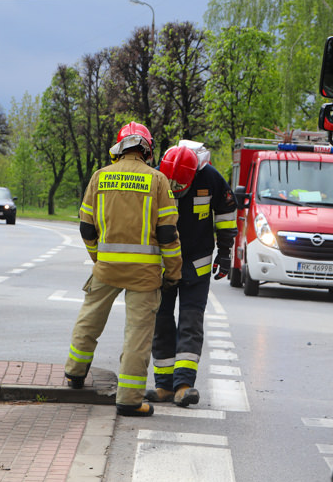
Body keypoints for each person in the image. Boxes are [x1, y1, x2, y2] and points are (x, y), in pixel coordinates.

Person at [64, 122, 183, 417]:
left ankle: (75, 373)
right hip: (144, 274)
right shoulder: (158, 180)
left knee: (89, 318)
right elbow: (168, 234)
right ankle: (129, 400)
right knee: (138, 335)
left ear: (120, 148)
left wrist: (98, 257)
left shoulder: (100, 177)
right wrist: (173, 273)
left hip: (106, 268)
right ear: (147, 149)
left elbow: (86, 226)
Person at [146, 140, 238, 407]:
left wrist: (225, 253)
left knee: (190, 321)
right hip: (162, 264)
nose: (175, 190)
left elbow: (226, 215)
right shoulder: (156, 177)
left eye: (180, 187)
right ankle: (163, 385)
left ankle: (184, 385)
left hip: (196, 264)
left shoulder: (211, 178)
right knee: (160, 320)